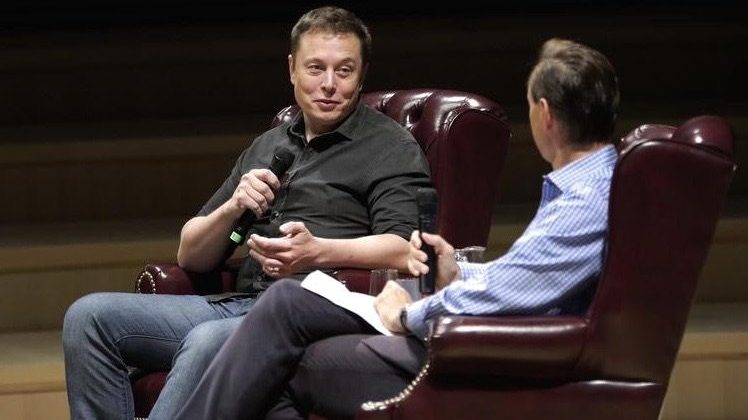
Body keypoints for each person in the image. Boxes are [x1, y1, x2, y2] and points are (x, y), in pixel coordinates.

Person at [172, 37, 621, 420]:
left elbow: (512, 295)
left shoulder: (584, 200)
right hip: (494, 344)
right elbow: (524, 280)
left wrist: (407, 313)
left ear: (544, 114)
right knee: (281, 325)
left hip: (488, 356)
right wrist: (458, 272)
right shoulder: (595, 185)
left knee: (278, 344)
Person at [62, 6, 431, 420]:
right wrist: (234, 206)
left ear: (362, 75)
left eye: (344, 71)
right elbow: (191, 255)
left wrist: (317, 251)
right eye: (315, 68)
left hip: (312, 313)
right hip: (239, 302)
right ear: (292, 69)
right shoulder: (268, 144)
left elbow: (405, 247)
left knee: (207, 341)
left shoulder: (389, 147)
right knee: (89, 317)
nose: (329, 85)